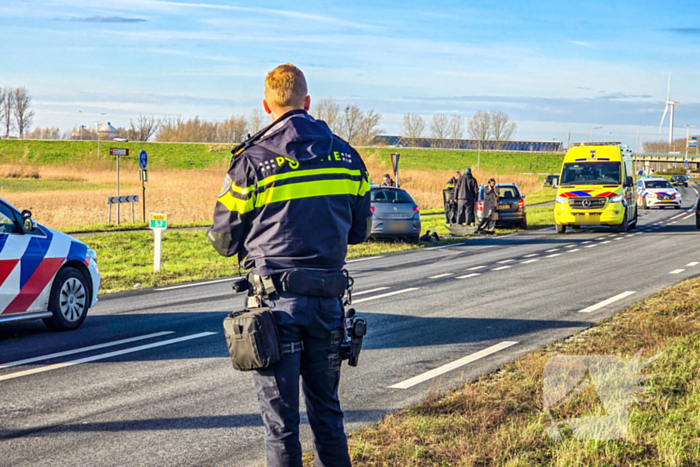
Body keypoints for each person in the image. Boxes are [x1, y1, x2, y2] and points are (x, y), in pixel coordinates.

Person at [207, 63, 370, 467]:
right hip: (328, 303)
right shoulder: (348, 156)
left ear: (266, 105)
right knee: (328, 418)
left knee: (281, 426)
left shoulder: (251, 161)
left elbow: (223, 239)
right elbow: (361, 230)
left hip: (274, 309)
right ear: (308, 103)